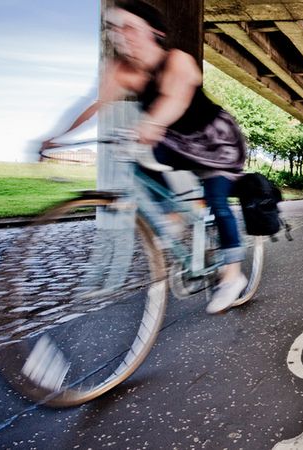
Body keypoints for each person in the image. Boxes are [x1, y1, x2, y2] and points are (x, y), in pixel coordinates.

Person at [43, 0, 248, 314]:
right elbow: (94, 105)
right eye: (113, 29)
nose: (120, 36)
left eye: (129, 28)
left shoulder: (178, 60)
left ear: (153, 31)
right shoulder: (121, 70)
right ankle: (175, 217)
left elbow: (174, 99)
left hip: (215, 141)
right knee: (139, 159)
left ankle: (232, 276)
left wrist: (151, 124)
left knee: (218, 200)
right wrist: (60, 136)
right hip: (175, 140)